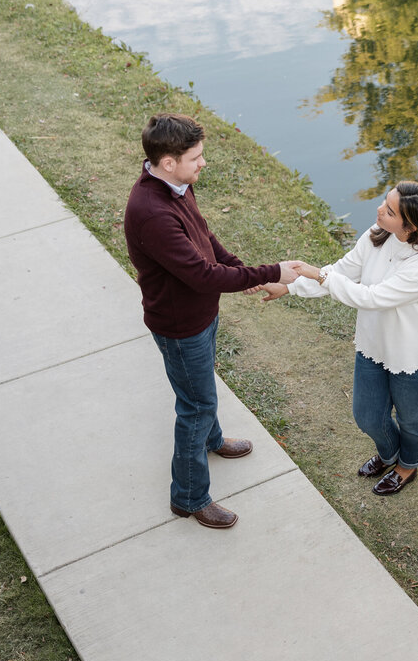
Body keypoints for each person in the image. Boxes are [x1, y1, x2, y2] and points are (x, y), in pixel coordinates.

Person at [124, 112, 303, 529]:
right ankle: (188, 497)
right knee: (196, 405)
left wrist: (240, 271)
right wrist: (270, 272)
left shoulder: (176, 186)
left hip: (199, 314)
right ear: (169, 161)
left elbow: (204, 238)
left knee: (200, 395)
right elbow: (202, 275)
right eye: (196, 156)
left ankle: (212, 440)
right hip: (179, 324)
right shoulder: (152, 211)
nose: (203, 163)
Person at [258, 181, 418, 496]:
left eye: (390, 211)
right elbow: (343, 273)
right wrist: (290, 287)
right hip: (375, 348)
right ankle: (388, 455)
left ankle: (407, 466)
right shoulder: (378, 235)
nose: (379, 210)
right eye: (384, 202)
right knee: (367, 416)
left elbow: (372, 297)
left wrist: (319, 274)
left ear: (412, 226)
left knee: (412, 421)